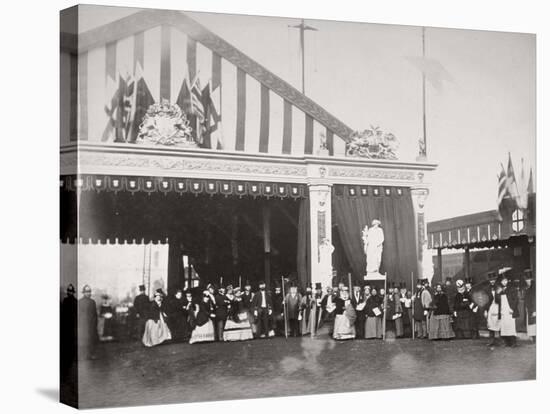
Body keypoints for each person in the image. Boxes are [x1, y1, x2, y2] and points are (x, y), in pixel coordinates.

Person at [498, 273, 519, 347]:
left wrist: (512, 308)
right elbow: (497, 300)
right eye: (502, 281)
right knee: (504, 326)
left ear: (508, 280)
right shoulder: (500, 289)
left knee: (511, 325)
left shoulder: (512, 288)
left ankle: (513, 342)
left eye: (505, 280)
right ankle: (507, 342)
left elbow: (516, 299)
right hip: (503, 310)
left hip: (510, 309)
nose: (504, 282)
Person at [61, 284, 78, 375]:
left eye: (70, 291)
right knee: (72, 341)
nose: (69, 293)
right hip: (71, 324)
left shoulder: (66, 301)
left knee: (69, 341)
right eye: (69, 291)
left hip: (68, 324)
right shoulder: (74, 301)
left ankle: (70, 356)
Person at [78, 285, 99, 360]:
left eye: (89, 292)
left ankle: (91, 354)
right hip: (83, 324)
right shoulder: (79, 302)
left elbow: (95, 314)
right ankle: (83, 355)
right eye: (87, 292)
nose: (88, 293)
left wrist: (95, 323)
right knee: (83, 339)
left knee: (91, 339)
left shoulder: (92, 302)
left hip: (91, 324)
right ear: (83, 293)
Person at [485, 271, 501, 347]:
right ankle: (492, 340)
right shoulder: (487, 289)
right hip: (490, 307)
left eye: (493, 279)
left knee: (499, 322)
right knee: (490, 323)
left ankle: (500, 340)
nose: (492, 281)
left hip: (498, 306)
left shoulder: (499, 287)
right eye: (491, 280)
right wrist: (485, 310)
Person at [524, 271, 536, 343]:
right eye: (526, 279)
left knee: (535, 324)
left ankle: (536, 339)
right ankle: (533, 338)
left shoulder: (534, 287)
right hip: (529, 308)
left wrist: (535, 310)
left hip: (533, 309)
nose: (527, 281)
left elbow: (535, 299)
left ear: (532, 279)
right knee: (531, 324)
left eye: (529, 279)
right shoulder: (528, 287)